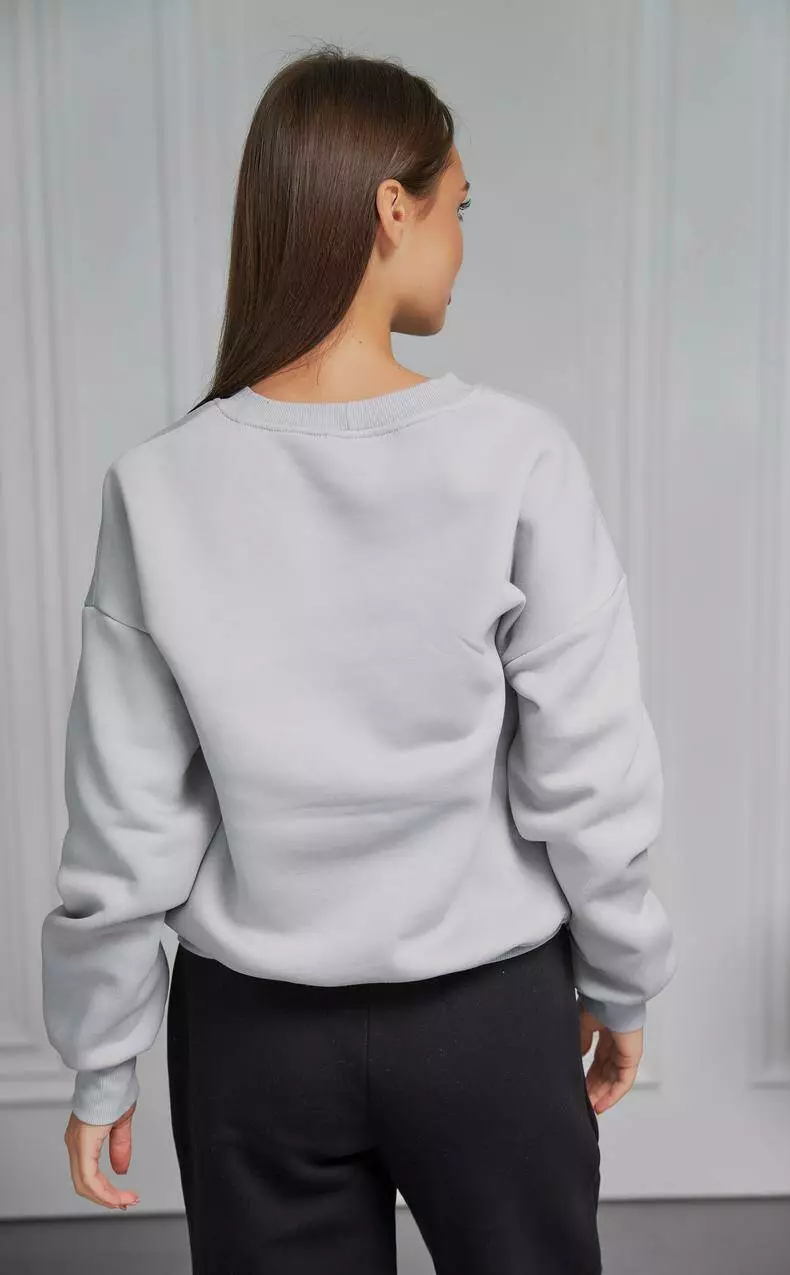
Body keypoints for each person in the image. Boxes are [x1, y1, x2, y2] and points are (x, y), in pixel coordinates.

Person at [40, 42, 676, 1274]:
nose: (460, 243)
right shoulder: (516, 456)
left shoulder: (159, 484)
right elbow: (586, 773)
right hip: (486, 1020)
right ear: (394, 209)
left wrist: (102, 1058)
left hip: (252, 1043)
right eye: (457, 208)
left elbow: (124, 817)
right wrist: (619, 978)